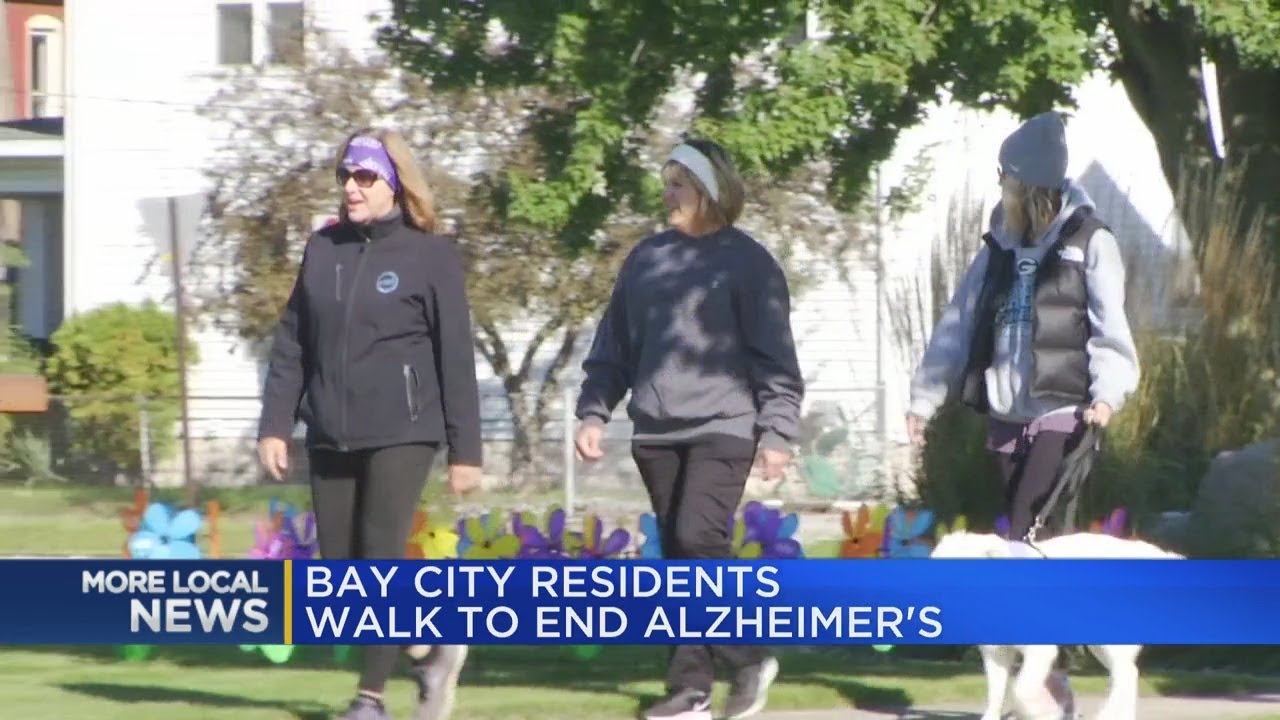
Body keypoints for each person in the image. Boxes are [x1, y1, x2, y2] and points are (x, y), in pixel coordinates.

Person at [574, 138, 805, 720]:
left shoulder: (750, 262)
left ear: (708, 190)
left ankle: (748, 657)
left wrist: (777, 432)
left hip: (725, 424)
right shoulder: (647, 260)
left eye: (677, 183)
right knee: (679, 559)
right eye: (667, 182)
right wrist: (595, 409)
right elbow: (615, 346)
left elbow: (775, 357)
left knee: (701, 540)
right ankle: (689, 690)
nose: (667, 193)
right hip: (655, 430)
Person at [256, 128, 483, 720]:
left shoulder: (429, 253)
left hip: (404, 430)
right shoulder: (323, 248)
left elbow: (455, 356)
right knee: (339, 570)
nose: (351, 188)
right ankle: (424, 651)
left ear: (394, 185)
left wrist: (467, 451)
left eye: (364, 177)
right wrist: (275, 423)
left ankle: (370, 699)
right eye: (345, 176)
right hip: (329, 430)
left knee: (380, 557)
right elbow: (293, 343)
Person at [906, 110, 1140, 542]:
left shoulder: (1089, 241)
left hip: (1062, 410)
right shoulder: (998, 247)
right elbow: (957, 324)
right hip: (1006, 414)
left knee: (1027, 525)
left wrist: (1107, 395)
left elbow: (1111, 327)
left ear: (1024, 184)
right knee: (1025, 531)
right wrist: (924, 398)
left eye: (1004, 177)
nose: (1000, 186)